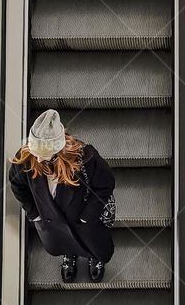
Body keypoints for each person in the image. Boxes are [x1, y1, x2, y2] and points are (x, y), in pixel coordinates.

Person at [9, 109, 115, 284]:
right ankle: (70, 253)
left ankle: (94, 257)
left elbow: (105, 184)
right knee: (64, 240)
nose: (40, 160)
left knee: (93, 245)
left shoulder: (84, 158)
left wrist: (88, 217)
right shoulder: (27, 159)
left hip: (83, 221)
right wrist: (34, 213)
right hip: (52, 223)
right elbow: (17, 185)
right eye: (37, 154)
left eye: (44, 156)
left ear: (59, 150)